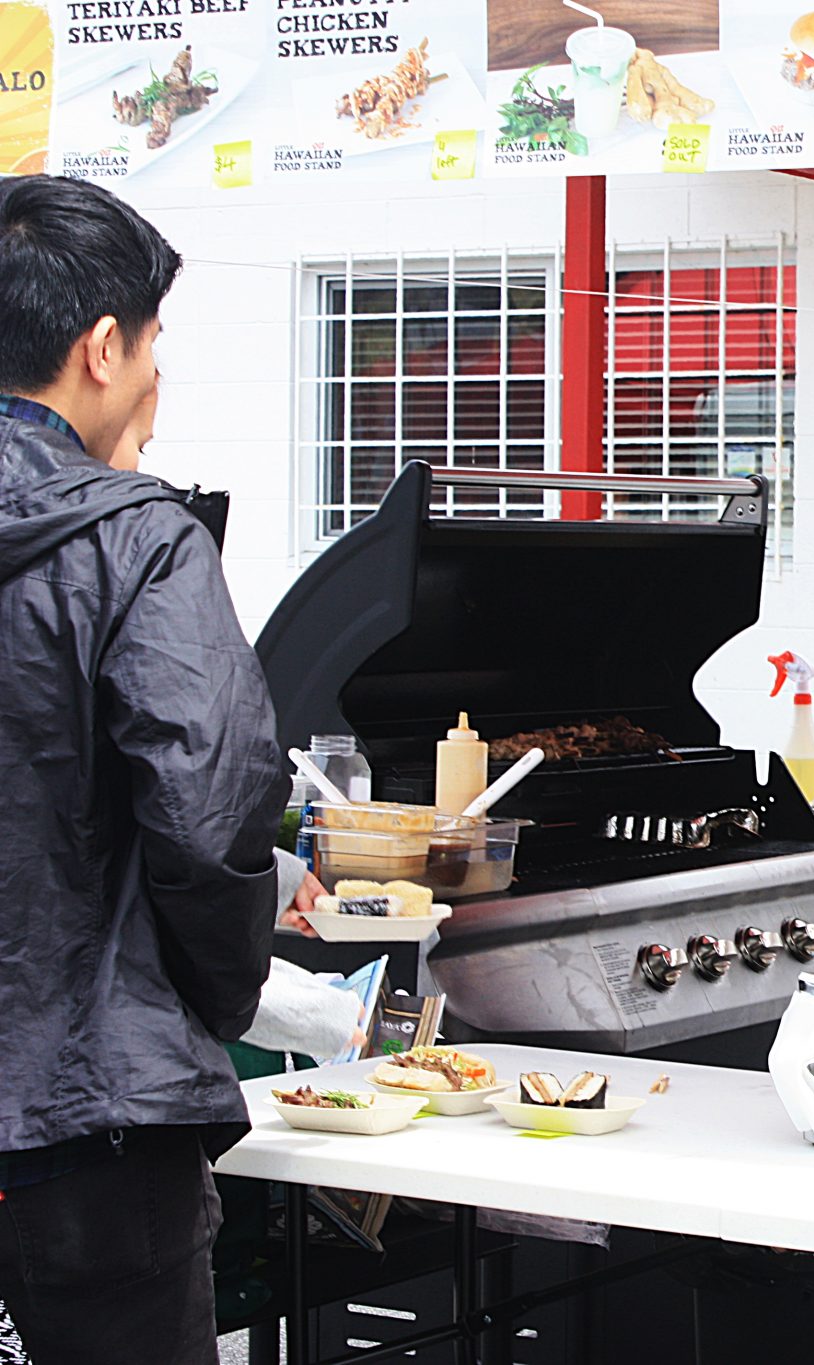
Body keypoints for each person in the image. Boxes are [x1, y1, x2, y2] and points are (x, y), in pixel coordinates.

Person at [0, 176, 287, 1365]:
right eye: (155, 344)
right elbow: (213, 817)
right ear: (103, 346)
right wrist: (206, 1009)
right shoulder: (136, 537)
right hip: (87, 1127)